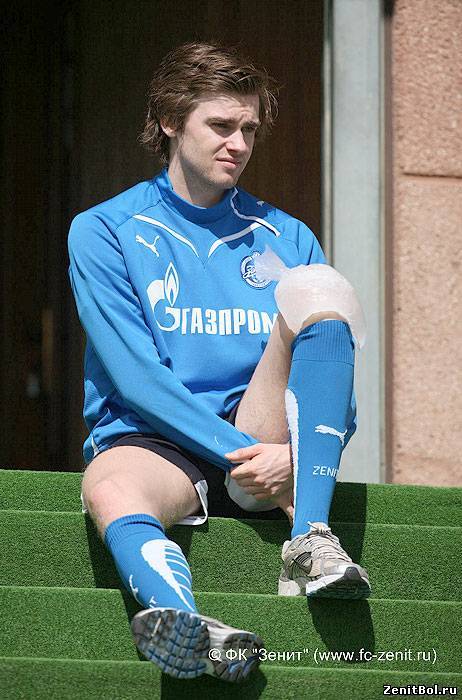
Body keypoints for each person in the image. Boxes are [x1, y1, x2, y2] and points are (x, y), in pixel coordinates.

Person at [68, 41, 371, 684]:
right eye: (221, 125)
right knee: (109, 485)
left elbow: (331, 365)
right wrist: (245, 455)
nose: (239, 143)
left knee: (322, 293)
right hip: (160, 438)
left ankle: (311, 538)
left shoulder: (287, 235)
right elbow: (136, 378)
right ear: (170, 122)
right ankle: (190, 626)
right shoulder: (104, 229)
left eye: (250, 129)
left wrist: (297, 454)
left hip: (262, 434)